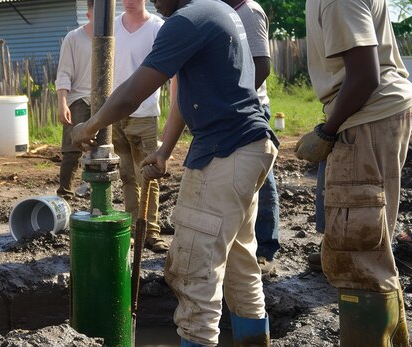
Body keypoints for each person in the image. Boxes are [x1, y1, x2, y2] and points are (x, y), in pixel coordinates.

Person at [72, 0, 278, 345]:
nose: (153, 0)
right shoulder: (218, 11)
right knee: (241, 268)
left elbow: (132, 95)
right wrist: (165, 151)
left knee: (193, 275)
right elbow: (189, 93)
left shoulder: (186, 21)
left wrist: (90, 125)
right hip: (250, 147)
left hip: (223, 154)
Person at [297, 0, 412, 344]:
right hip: (379, 112)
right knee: (371, 242)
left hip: (368, 114)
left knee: (357, 252)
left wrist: (327, 131)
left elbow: (364, 76)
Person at [223, 0, 279, 275]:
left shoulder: (250, 12)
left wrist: (236, 100)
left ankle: (266, 248)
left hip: (252, 106)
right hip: (230, 106)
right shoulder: (222, 11)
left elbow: (262, 66)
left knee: (261, 179)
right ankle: (237, 243)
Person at [112, 0, 168, 252]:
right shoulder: (111, 28)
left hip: (144, 113)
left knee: (148, 174)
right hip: (115, 112)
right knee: (126, 174)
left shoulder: (157, 27)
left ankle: (151, 231)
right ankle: (134, 228)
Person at [55, 0, 94, 199]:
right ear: (88, 15)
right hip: (79, 98)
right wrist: (63, 102)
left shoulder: (115, 37)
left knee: (102, 148)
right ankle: (65, 194)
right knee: (72, 151)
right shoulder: (74, 38)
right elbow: (63, 72)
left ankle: (94, 189)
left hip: (105, 100)